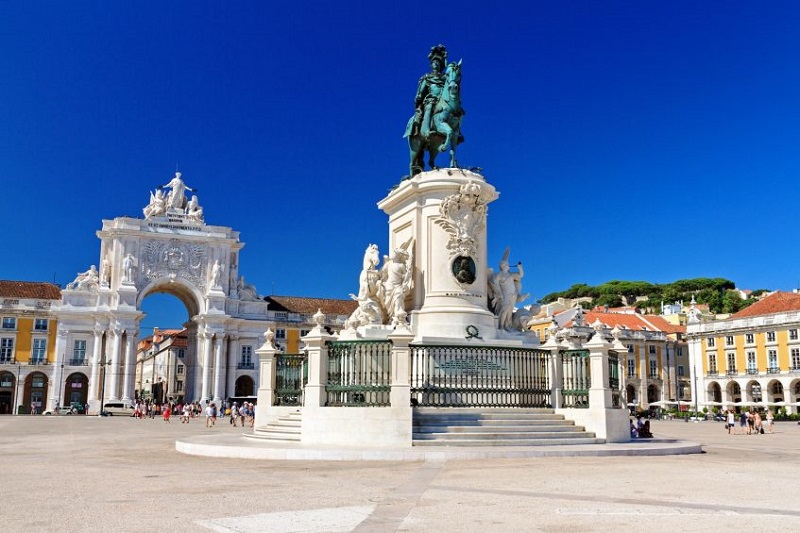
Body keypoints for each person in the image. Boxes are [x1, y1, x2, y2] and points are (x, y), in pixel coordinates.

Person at [406, 44, 448, 140]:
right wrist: (419, 95)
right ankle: (426, 130)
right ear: (431, 64)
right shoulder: (427, 77)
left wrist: (445, 57)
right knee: (429, 108)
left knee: (456, 111)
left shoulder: (444, 78)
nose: (436, 64)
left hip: (443, 101)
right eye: (434, 62)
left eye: (438, 62)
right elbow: (421, 91)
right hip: (431, 100)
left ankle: (457, 133)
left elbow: (450, 74)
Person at [488, 248, 530, 331]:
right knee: (504, 310)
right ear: (503, 266)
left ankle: (507, 326)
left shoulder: (511, 274)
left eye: (508, 264)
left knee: (509, 312)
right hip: (505, 295)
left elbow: (520, 275)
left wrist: (520, 268)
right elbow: (493, 282)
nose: (508, 265)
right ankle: (500, 327)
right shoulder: (499, 275)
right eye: (507, 264)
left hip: (513, 295)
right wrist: (498, 293)